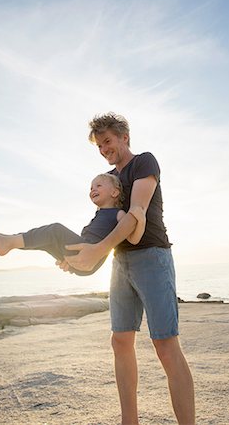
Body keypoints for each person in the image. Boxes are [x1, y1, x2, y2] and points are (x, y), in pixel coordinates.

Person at [58, 113, 195, 425]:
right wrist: (79, 257)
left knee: (164, 345)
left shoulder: (144, 163)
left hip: (152, 257)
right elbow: (102, 226)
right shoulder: (109, 181)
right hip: (120, 260)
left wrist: (99, 249)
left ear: (124, 137)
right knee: (119, 340)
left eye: (108, 141)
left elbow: (136, 213)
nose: (104, 149)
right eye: (99, 146)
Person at [0, 173, 146, 276]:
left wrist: (140, 218)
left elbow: (133, 238)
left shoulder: (118, 213)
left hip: (89, 258)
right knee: (46, 241)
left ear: (115, 192)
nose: (92, 189)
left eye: (98, 185)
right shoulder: (99, 213)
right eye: (91, 187)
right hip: (79, 258)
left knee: (55, 230)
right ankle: (4, 240)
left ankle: (7, 242)